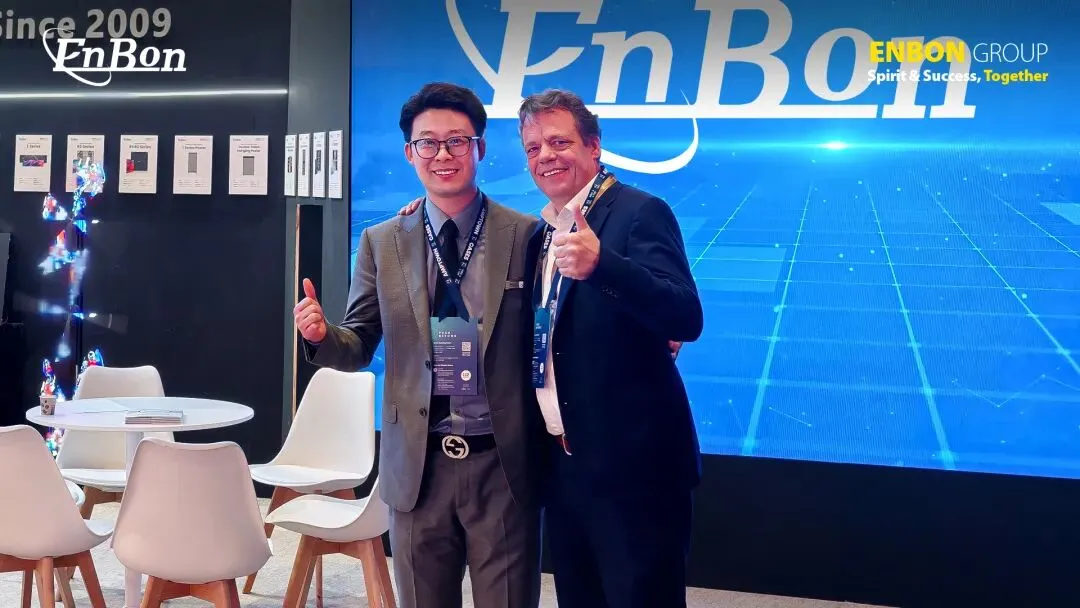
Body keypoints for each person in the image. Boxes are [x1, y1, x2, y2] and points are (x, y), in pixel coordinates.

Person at [293, 82, 544, 608]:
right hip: (417, 468)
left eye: (457, 141)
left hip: (501, 465)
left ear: (479, 147)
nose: (442, 154)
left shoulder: (525, 235)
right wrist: (321, 336)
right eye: (427, 142)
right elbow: (359, 342)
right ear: (410, 153)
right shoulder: (382, 241)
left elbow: (553, 334)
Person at [521, 88, 704, 608]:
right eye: (533, 148)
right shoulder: (542, 233)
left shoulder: (639, 212)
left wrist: (605, 266)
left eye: (560, 142)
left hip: (635, 473)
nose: (546, 156)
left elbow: (685, 316)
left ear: (594, 146)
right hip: (566, 466)